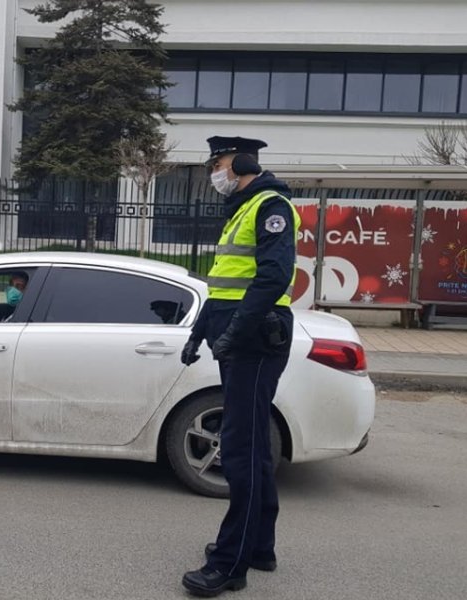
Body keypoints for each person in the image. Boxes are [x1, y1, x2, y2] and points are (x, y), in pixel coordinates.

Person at [180, 136, 299, 596]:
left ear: (243, 161)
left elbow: (273, 277)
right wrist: (198, 334)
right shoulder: (242, 209)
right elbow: (224, 286)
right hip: (239, 339)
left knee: (240, 451)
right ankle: (260, 546)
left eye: (220, 162)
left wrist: (235, 334)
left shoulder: (271, 205)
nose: (215, 171)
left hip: (254, 341)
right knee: (251, 447)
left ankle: (231, 565)